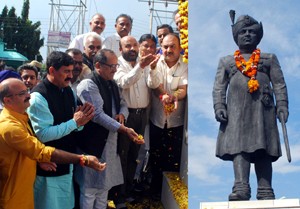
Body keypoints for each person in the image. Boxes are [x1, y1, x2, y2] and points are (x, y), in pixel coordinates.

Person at [212, 13, 288, 201]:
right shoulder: (226, 61)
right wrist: (219, 105)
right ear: (236, 36)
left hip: (264, 110)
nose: (247, 34)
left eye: (251, 32)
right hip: (236, 113)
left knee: (264, 148)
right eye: (242, 32)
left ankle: (265, 189)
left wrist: (283, 105)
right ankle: (241, 187)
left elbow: (279, 83)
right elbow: (219, 86)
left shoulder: (269, 58)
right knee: (239, 148)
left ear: (258, 36)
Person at [0, 78, 106, 209]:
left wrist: (38, 160)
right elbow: (41, 150)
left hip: (26, 189)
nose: (28, 95)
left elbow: (26, 149)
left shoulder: (21, 117)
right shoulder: (9, 126)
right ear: (7, 100)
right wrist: (83, 159)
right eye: (22, 94)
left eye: (26, 91)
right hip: (13, 195)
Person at [75, 48, 144, 209]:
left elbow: (123, 103)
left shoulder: (112, 82)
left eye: (116, 66)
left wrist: (122, 114)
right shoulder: (88, 84)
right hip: (93, 143)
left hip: (111, 142)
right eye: (111, 66)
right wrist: (124, 129)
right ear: (98, 65)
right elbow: (97, 114)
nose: (115, 70)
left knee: (103, 189)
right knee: (90, 189)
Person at [27, 51, 96, 209]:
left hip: (67, 163)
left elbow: (73, 126)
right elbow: (43, 135)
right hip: (48, 166)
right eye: (66, 71)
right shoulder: (38, 97)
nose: (71, 76)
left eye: (72, 71)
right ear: (52, 71)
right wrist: (74, 122)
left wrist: (82, 120)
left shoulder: (68, 90)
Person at [113, 35, 160, 208]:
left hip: (142, 115)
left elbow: (152, 84)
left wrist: (153, 68)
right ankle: (118, 195)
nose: (132, 49)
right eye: (128, 46)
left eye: (134, 45)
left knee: (135, 155)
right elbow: (124, 82)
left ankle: (128, 191)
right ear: (121, 49)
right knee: (123, 155)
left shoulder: (143, 62)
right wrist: (141, 66)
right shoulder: (118, 64)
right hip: (126, 116)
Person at [148, 33, 188, 199]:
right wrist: (163, 94)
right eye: (165, 47)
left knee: (172, 158)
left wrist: (174, 96)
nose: (169, 50)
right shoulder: (156, 64)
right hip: (157, 119)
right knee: (155, 155)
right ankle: (155, 191)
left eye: (172, 46)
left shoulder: (185, 66)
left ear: (179, 48)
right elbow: (153, 84)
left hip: (175, 121)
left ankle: (169, 195)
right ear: (161, 48)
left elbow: (183, 89)